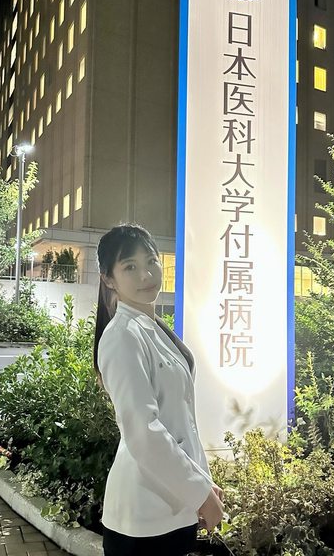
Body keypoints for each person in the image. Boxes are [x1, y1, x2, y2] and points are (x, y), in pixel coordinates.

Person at [94, 224, 224, 556]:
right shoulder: (122, 336)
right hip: (143, 518)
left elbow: (180, 421)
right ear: (109, 279)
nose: (146, 274)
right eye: (130, 267)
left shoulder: (152, 327)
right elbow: (144, 431)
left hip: (171, 508)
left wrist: (202, 483)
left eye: (151, 261)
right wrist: (199, 493)